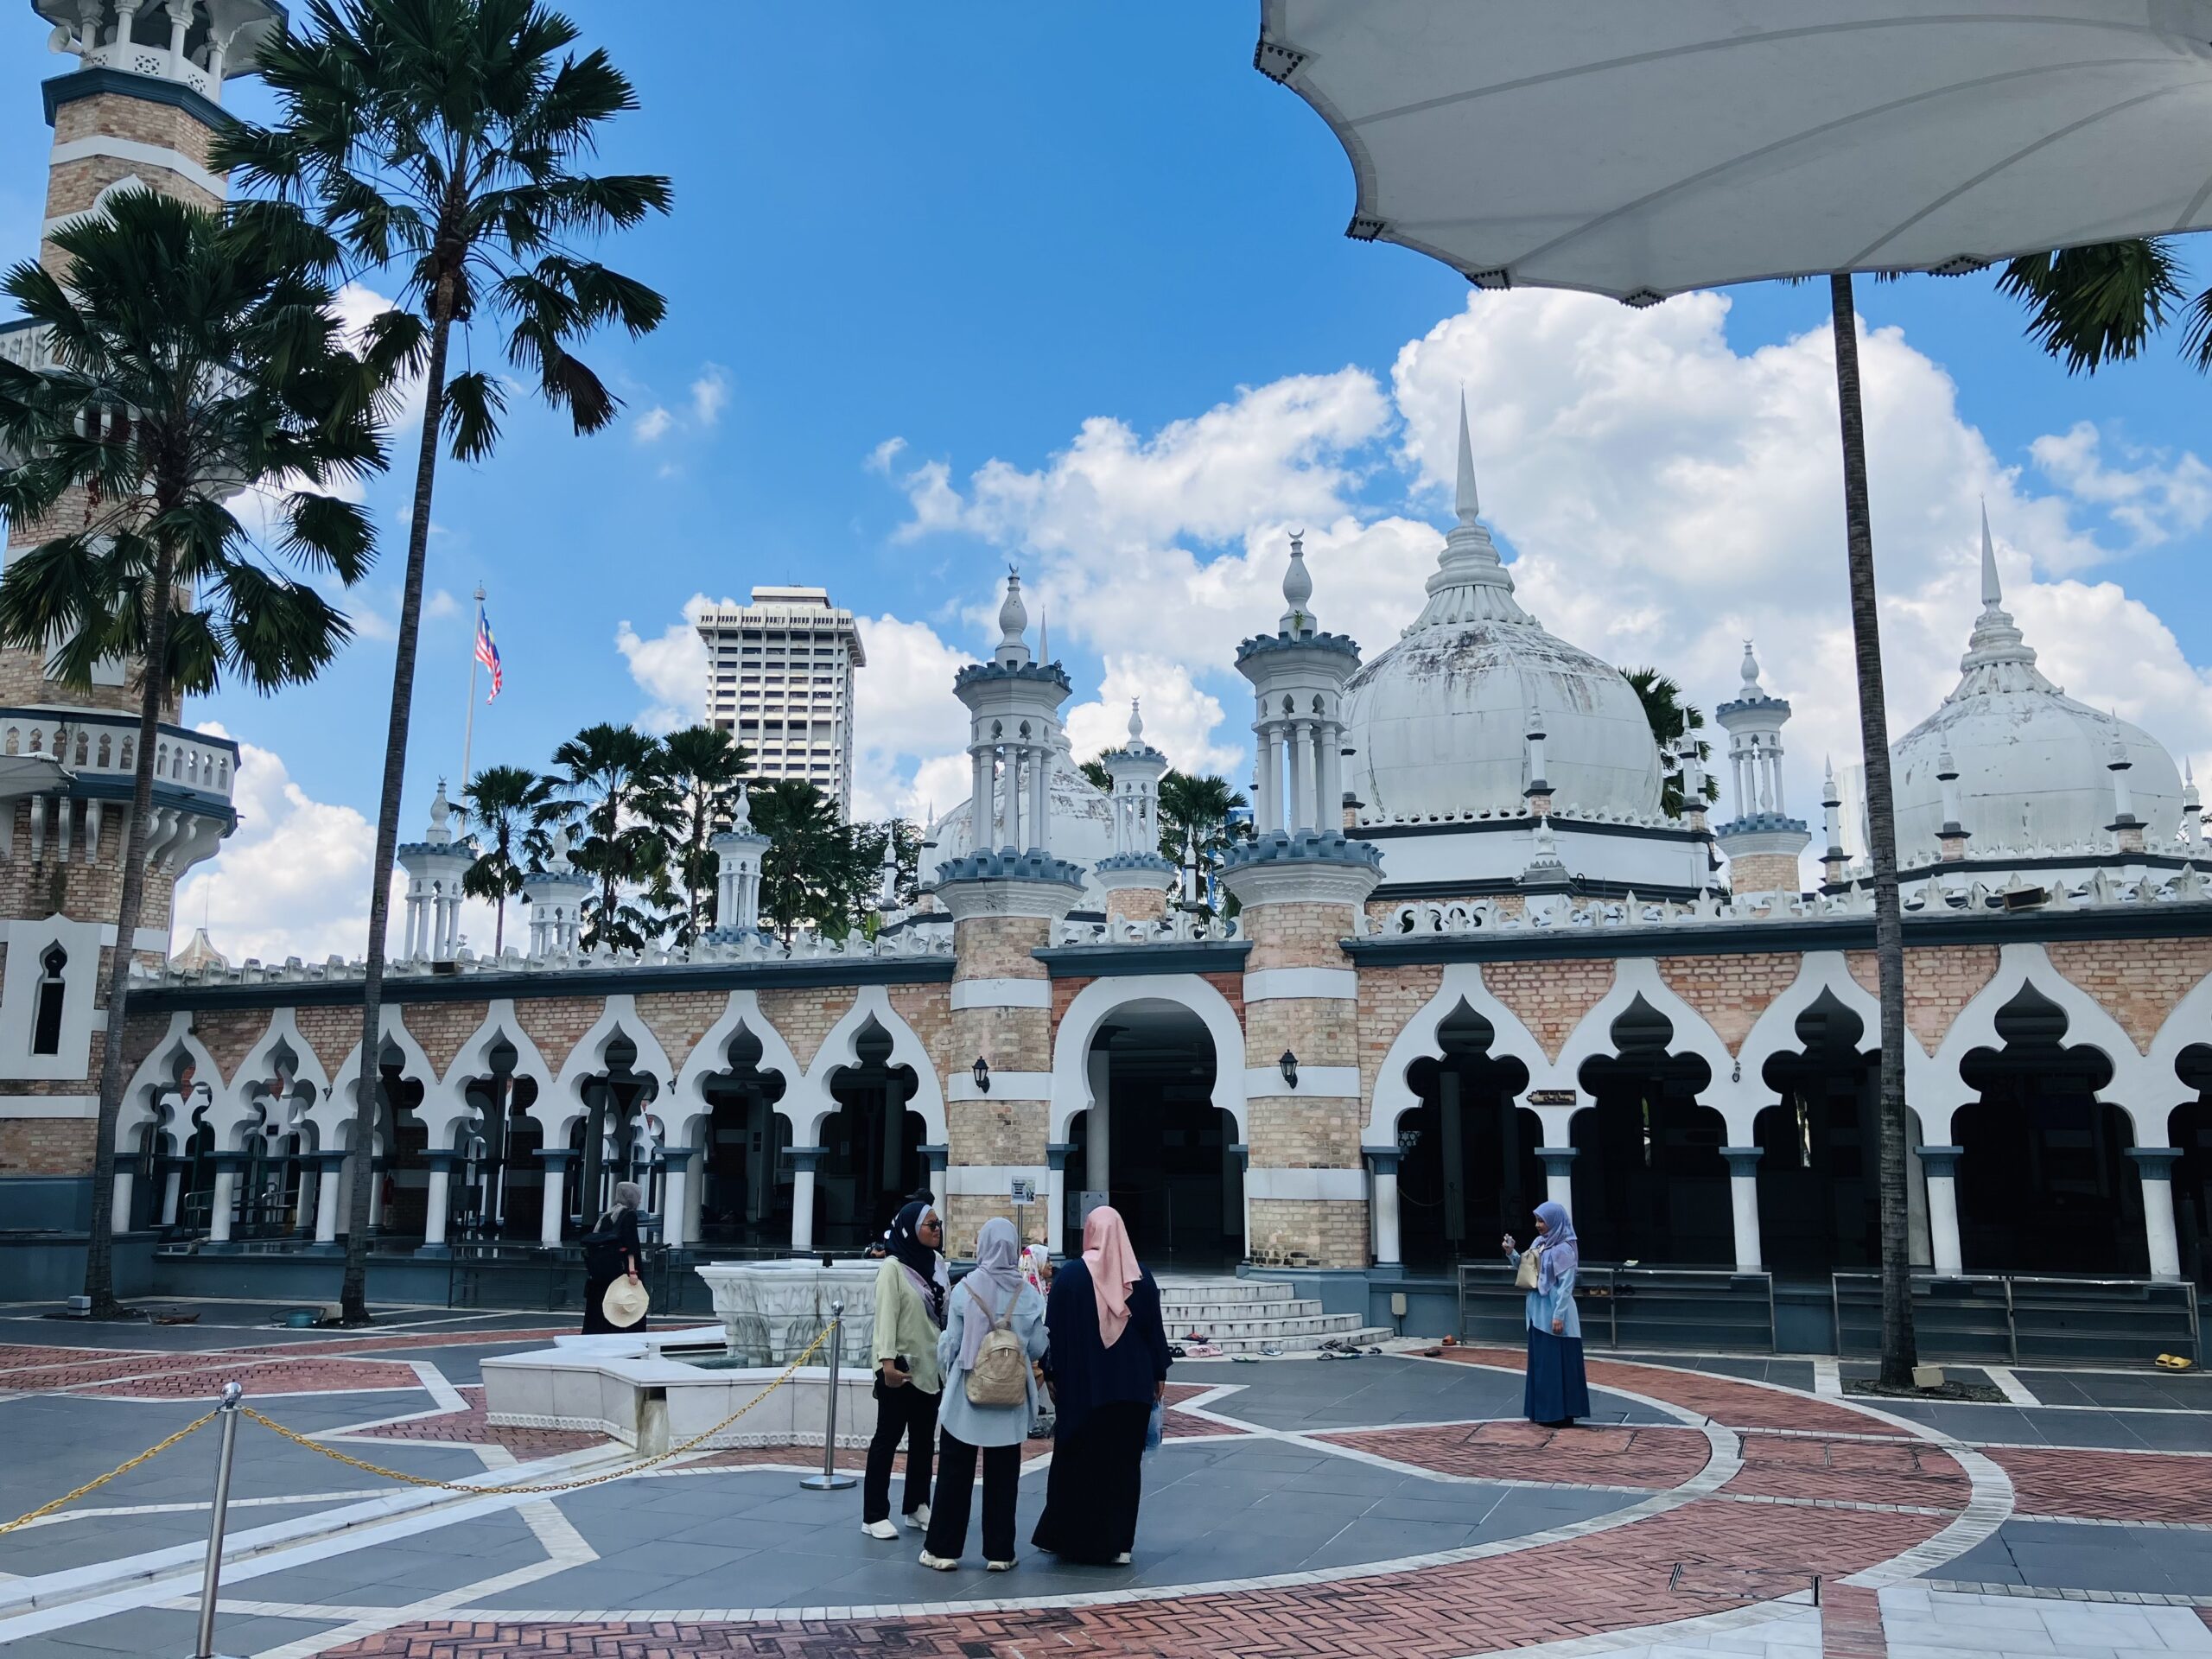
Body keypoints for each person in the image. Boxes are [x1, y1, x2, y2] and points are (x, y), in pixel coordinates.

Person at [1032, 1205, 1170, 1566]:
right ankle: (1119, 1544)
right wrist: (1158, 1376)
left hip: (1083, 1388)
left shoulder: (1071, 1277)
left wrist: (1052, 1375)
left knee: (1075, 1460)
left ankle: (1069, 1539)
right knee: (1123, 1467)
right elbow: (1155, 1333)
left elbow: (1054, 1335)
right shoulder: (1141, 1278)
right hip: (1131, 1390)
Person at [919, 1217, 1046, 1573]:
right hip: (1009, 1401)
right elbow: (1037, 1346)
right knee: (1004, 1478)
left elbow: (952, 1345)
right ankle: (1000, 1552)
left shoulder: (965, 1289)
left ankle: (943, 1550)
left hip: (968, 1397)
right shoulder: (1029, 1294)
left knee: (954, 1473)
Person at [862, 1199, 945, 1540]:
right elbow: (885, 1320)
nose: (937, 1229)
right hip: (899, 1368)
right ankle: (874, 1514)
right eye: (931, 1225)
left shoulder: (937, 1264)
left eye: (938, 1223)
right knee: (888, 1439)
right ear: (912, 1229)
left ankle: (916, 1505)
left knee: (925, 1441)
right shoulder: (893, 1269)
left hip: (930, 1368)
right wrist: (886, 1365)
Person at [1503, 1200, 1589, 1427]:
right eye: (1537, 1220)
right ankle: (1542, 1411)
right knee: (1542, 1365)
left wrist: (1558, 1316)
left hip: (1554, 1315)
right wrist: (1512, 1253)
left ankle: (1560, 1413)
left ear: (1555, 1222)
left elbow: (1565, 1286)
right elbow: (1527, 1270)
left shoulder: (1566, 1251)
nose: (1538, 1225)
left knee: (1557, 1364)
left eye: (1543, 1221)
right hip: (1536, 1313)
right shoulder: (1539, 1244)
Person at [580, 1180, 645, 1334]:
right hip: (620, 1270)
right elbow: (631, 1246)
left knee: (602, 1304)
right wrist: (633, 1272)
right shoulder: (629, 1216)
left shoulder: (607, 1216)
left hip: (602, 1272)